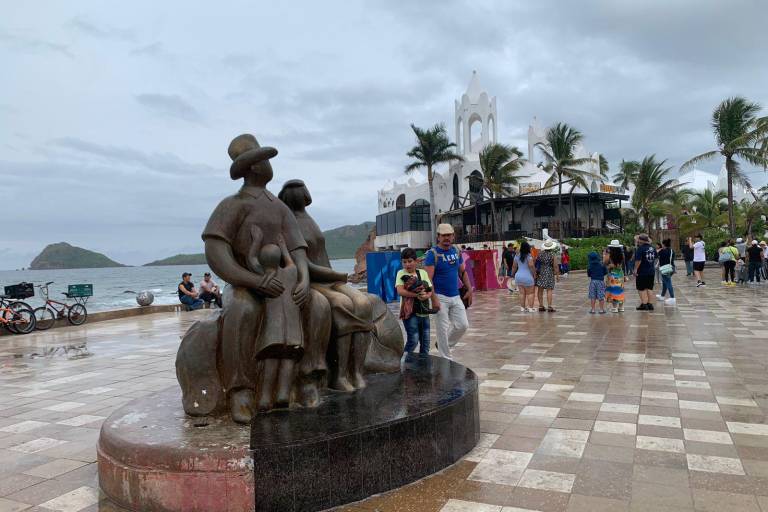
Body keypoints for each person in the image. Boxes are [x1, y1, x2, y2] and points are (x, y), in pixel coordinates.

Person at [424, 223, 473, 360]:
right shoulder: (432, 254)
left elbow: (462, 272)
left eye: (449, 235)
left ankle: (443, 345)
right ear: (438, 237)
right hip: (440, 296)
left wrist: (469, 289)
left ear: (453, 236)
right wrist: (434, 299)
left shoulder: (456, 251)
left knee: (462, 325)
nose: (447, 238)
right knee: (442, 329)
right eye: (443, 235)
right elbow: (429, 280)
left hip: (456, 295)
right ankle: (446, 358)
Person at [396, 248, 434, 355]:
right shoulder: (401, 273)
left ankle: (423, 366)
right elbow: (400, 291)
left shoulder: (422, 273)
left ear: (416, 261)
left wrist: (426, 296)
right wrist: (417, 295)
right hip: (409, 313)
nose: (407, 264)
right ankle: (403, 362)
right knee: (413, 340)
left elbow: (430, 289)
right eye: (404, 262)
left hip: (423, 312)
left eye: (410, 261)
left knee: (425, 342)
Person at [511, 241, 537, 312]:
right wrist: (534, 274)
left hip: (518, 276)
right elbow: (531, 266)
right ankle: (531, 308)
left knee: (522, 293)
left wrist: (512, 274)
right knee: (530, 293)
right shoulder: (528, 256)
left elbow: (514, 266)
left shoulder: (517, 255)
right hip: (527, 276)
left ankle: (522, 308)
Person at [535, 239, 560, 312]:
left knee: (540, 290)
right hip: (549, 273)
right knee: (549, 290)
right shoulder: (552, 255)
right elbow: (555, 266)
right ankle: (549, 306)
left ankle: (541, 305)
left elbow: (536, 263)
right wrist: (557, 275)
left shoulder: (540, 254)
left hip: (541, 272)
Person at [634, 234, 657, 310]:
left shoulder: (640, 249)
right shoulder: (653, 248)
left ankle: (644, 304)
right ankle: (650, 304)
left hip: (642, 271)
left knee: (641, 288)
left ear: (640, 241)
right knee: (649, 288)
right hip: (651, 271)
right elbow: (655, 258)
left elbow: (638, 260)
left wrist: (635, 269)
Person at [605, 240, 627, 313]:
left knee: (613, 290)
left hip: (612, 274)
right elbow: (623, 265)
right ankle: (621, 307)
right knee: (620, 290)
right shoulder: (622, 254)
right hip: (620, 274)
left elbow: (605, 262)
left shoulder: (609, 255)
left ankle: (615, 307)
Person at [656, 238, 676, 304]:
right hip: (671, 267)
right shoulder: (672, 250)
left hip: (665, 268)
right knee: (664, 282)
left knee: (668, 282)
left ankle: (672, 298)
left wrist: (659, 251)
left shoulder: (662, 251)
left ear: (664, 244)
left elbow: (657, 256)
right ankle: (662, 296)